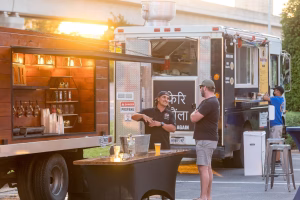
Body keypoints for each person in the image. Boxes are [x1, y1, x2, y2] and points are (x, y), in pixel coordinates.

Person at [190, 80, 220, 200]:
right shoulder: (212, 101)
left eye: (201, 87)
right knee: (207, 167)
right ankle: (208, 196)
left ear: (205, 88)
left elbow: (194, 118)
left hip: (205, 140)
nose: (200, 89)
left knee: (203, 168)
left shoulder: (209, 102)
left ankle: (203, 197)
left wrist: (194, 112)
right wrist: (196, 112)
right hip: (208, 139)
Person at [263, 86, 285, 163]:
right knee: (277, 142)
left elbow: (265, 98)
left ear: (278, 92)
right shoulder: (280, 99)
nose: (274, 92)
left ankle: (277, 159)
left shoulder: (276, 99)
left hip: (276, 124)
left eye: (275, 90)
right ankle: (277, 159)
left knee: (276, 142)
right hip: (278, 124)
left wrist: (265, 95)